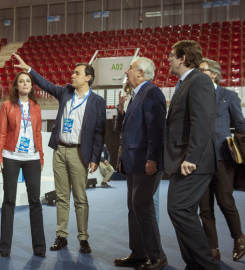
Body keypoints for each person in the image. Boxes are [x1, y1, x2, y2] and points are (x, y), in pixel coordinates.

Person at [13, 53, 106, 254]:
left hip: (80, 153)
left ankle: (83, 238)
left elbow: (99, 132)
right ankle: (61, 236)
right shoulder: (65, 93)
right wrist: (29, 70)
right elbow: (46, 85)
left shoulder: (97, 101)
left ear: (88, 78)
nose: (72, 75)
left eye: (77, 73)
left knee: (80, 198)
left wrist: (94, 158)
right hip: (60, 150)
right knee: (62, 197)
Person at [164, 40, 220, 269]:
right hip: (183, 160)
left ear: (183, 58)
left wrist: (192, 158)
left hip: (193, 161)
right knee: (181, 210)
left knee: (179, 209)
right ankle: (194, 265)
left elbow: (202, 122)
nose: (168, 58)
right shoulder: (185, 82)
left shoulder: (199, 80)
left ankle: (207, 265)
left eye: (171, 54)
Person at [114, 57, 167, 269]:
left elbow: (156, 129)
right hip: (132, 161)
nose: (126, 71)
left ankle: (157, 256)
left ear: (141, 73)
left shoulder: (152, 92)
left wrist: (152, 158)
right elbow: (124, 131)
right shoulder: (135, 96)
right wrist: (120, 109)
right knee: (133, 208)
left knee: (143, 207)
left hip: (146, 161)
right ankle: (138, 253)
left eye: (130, 68)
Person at [198, 58, 245, 262]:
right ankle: (212, 248)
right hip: (200, 159)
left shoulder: (229, 95)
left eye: (202, 70)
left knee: (225, 202)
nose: (198, 73)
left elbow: (240, 125)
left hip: (223, 158)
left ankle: (238, 237)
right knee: (205, 208)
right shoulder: (195, 96)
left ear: (214, 74)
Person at [0, 71, 46, 257]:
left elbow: (38, 133)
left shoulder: (36, 107)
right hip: (11, 156)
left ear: (31, 86)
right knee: (9, 201)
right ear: (16, 86)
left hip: (32, 158)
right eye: (21, 81)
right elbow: (1, 132)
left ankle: (39, 246)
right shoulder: (6, 106)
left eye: (28, 81)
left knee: (35, 202)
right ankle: (5, 247)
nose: (25, 84)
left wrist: (40, 156)